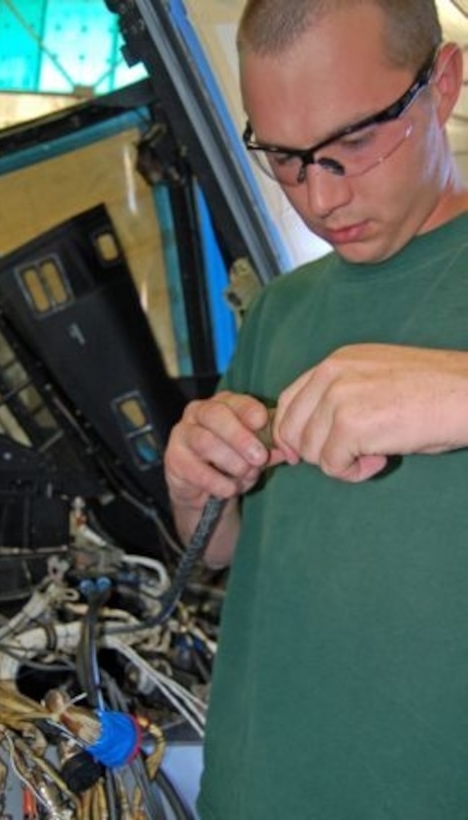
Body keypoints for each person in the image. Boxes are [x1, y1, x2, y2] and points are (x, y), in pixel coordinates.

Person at [163, 0, 468, 817]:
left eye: (353, 144)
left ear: (441, 85)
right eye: (286, 159)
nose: (320, 197)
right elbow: (224, 547)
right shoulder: (281, 311)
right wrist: (195, 484)